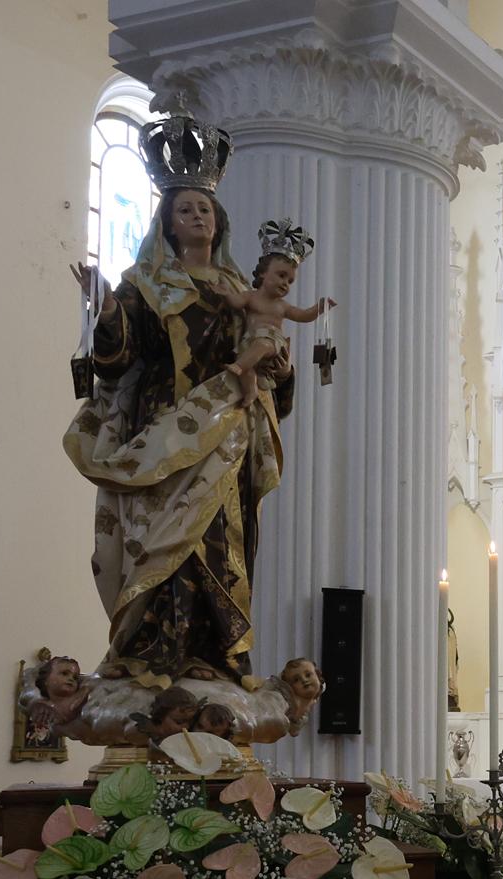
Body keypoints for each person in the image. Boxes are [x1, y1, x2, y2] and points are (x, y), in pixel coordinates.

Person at [64, 114, 292, 686]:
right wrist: (106, 311)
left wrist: (279, 369)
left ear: (220, 220)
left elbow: (265, 367)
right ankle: (150, 648)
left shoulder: (240, 289)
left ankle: (216, 653)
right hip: (164, 423)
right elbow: (118, 360)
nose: (198, 216)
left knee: (218, 538)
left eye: (205, 208)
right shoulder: (141, 285)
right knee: (161, 538)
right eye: (185, 209)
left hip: (226, 430)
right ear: (166, 222)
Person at [218, 219, 334, 405]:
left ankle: (238, 367)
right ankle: (250, 392)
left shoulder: (282, 306)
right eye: (281, 275)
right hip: (250, 341)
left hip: (271, 341)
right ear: (263, 273)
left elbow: (303, 316)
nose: (285, 284)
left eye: (290, 281)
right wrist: (226, 293)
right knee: (248, 365)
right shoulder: (250, 296)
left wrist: (319, 308)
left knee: (260, 348)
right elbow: (236, 302)